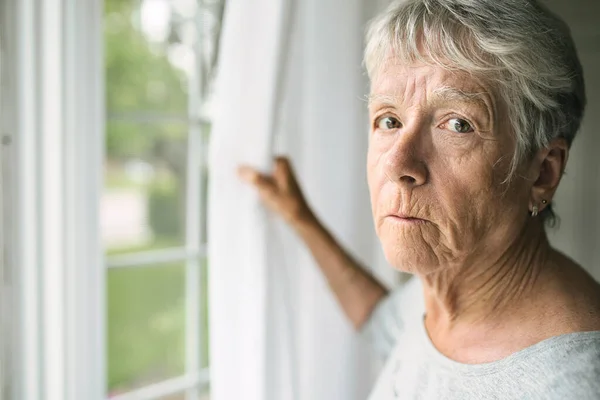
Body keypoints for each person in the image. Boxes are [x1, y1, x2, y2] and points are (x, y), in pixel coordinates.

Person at [238, 0, 600, 398]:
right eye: (389, 120)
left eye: (458, 124)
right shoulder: (447, 288)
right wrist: (300, 217)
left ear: (543, 171)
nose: (397, 162)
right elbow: (385, 325)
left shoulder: (570, 384)